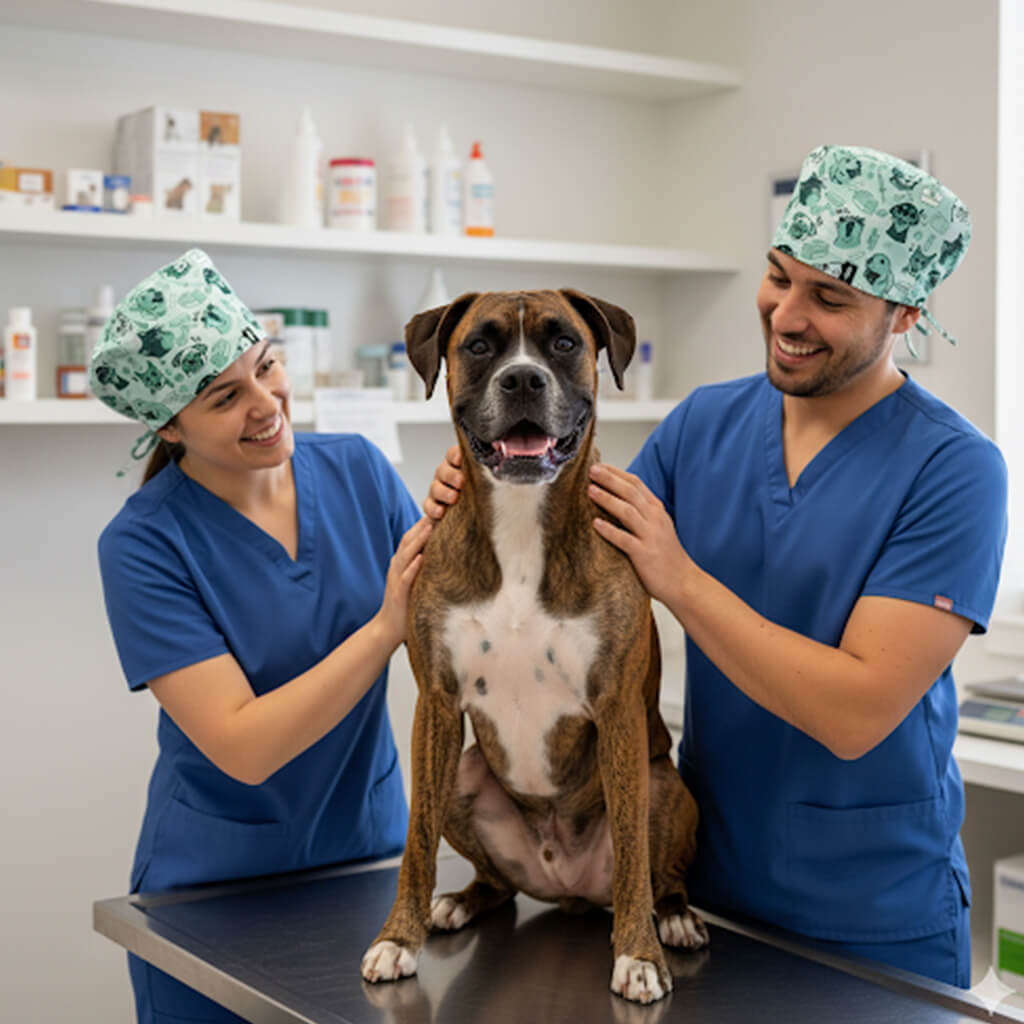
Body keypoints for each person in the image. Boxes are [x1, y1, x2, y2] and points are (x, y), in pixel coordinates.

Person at [425, 145, 1007, 988]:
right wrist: (499, 467)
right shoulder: (704, 424)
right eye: (779, 277)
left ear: (905, 314)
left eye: (830, 297)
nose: (787, 314)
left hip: (874, 912)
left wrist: (682, 580)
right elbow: (571, 542)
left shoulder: (954, 468)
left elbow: (856, 711)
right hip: (698, 890)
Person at [91, 248, 432, 1024]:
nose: (266, 402)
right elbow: (243, 744)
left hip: (372, 859)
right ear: (169, 428)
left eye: (266, 366)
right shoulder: (144, 544)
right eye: (223, 396)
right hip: (215, 891)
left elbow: (448, 633)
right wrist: (385, 629)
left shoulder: (359, 470)